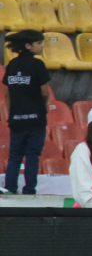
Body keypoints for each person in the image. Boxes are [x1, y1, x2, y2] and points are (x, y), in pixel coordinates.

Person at [4, 30, 50, 195]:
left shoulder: (12, 65)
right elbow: (44, 92)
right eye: (39, 43)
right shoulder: (38, 65)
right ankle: (29, 190)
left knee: (14, 156)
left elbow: (7, 94)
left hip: (17, 119)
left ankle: (9, 189)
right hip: (36, 119)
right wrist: (42, 107)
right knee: (32, 156)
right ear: (28, 46)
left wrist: (12, 114)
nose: (42, 46)